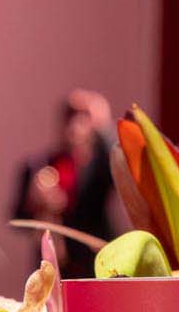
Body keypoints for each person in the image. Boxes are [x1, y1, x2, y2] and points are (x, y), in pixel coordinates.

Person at [11, 90, 116, 276]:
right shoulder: (40, 164)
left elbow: (117, 158)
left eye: (83, 118)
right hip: (54, 265)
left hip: (93, 262)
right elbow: (17, 217)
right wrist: (34, 200)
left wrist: (104, 123)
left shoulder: (100, 165)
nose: (75, 125)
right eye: (70, 117)